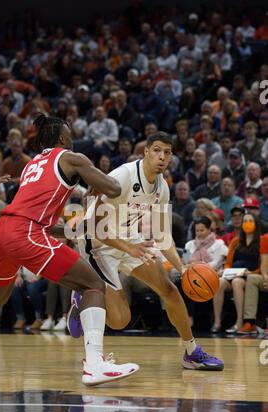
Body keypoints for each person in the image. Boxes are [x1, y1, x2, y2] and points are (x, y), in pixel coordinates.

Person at [0, 114, 139, 385]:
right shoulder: (72, 158)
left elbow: (42, 222)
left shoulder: (31, 165)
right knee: (93, 285)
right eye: (69, 132)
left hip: (4, 231)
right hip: (24, 232)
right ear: (61, 137)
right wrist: (95, 183)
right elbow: (115, 187)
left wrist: (75, 230)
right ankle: (95, 364)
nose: (73, 137)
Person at [70, 132, 224, 371]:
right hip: (97, 243)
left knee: (170, 289)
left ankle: (191, 352)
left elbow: (163, 236)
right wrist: (128, 247)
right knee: (120, 320)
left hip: (131, 238)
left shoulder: (161, 187)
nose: (162, 157)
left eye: (168, 152)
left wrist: (183, 268)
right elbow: (93, 226)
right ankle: (84, 297)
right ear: (146, 152)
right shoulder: (123, 176)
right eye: (157, 150)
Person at [212, 213, 261, 334]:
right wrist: (226, 270)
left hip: (248, 275)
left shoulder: (261, 242)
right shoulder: (235, 241)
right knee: (219, 282)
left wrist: (251, 272)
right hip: (233, 273)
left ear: (256, 224)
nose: (247, 224)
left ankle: (239, 322)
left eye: (250, 221)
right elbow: (228, 262)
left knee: (237, 282)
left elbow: (262, 265)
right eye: (245, 221)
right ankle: (217, 322)